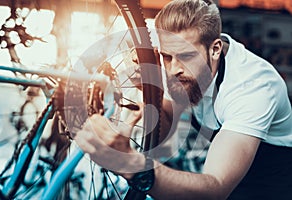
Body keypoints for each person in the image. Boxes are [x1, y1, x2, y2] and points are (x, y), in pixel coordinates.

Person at [74, 0, 292, 199]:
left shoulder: (253, 87)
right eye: (167, 57)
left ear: (215, 49)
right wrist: (150, 97)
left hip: (273, 180)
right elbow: (166, 124)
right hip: (232, 166)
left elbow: (215, 188)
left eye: (187, 56)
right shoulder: (178, 69)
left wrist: (130, 164)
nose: (174, 69)